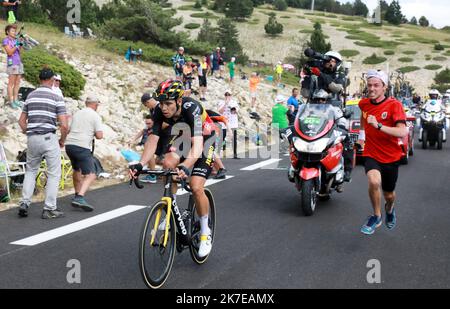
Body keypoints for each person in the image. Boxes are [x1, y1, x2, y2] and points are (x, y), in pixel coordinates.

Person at [130, 80, 217, 258]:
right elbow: (152, 140)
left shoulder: (192, 108)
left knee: (196, 186)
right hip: (183, 136)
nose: (163, 108)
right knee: (168, 164)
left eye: (168, 103)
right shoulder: (158, 111)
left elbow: (198, 145)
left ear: (178, 101)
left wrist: (185, 166)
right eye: (161, 103)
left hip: (205, 139)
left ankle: (205, 232)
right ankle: (171, 210)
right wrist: (140, 164)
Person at [357, 70, 408, 235]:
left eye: (376, 85)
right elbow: (363, 120)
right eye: (369, 85)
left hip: (391, 157)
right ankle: (377, 216)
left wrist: (379, 125)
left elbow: (402, 132)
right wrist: (361, 136)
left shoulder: (394, 105)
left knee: (389, 194)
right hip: (371, 153)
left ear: (384, 87)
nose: (371, 88)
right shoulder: (363, 104)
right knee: (373, 181)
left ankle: (390, 209)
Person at [17, 68, 68, 219]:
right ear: (52, 80)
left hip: (32, 138)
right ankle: (49, 208)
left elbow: (21, 121)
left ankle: (25, 202)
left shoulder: (30, 96)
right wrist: (62, 140)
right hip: (48, 137)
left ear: (39, 79)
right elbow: (64, 125)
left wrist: (29, 132)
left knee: (31, 170)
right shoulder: (56, 97)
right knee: (53, 173)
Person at [65, 96, 104, 211]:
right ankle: (80, 197)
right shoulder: (95, 116)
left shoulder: (77, 113)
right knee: (91, 174)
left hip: (70, 145)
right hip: (82, 147)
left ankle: (77, 193)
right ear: (96, 105)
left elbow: (68, 129)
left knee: (77, 170)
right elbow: (99, 135)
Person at [2, 24, 23, 109]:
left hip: (19, 63)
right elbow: (9, 52)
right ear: (7, 32)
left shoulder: (15, 40)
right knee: (11, 84)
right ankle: (11, 101)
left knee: (17, 83)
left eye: (15, 31)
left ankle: (16, 100)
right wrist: (16, 45)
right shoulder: (6, 41)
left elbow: (20, 51)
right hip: (12, 64)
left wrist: (20, 44)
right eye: (13, 31)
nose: (14, 32)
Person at [218, 90, 239, 159]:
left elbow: (235, 112)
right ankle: (223, 153)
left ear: (231, 95)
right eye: (226, 94)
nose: (227, 96)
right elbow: (220, 111)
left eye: (229, 94)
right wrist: (225, 104)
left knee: (234, 138)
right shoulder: (221, 102)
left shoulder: (234, 102)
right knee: (222, 138)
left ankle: (235, 154)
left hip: (232, 123)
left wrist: (230, 106)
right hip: (224, 123)